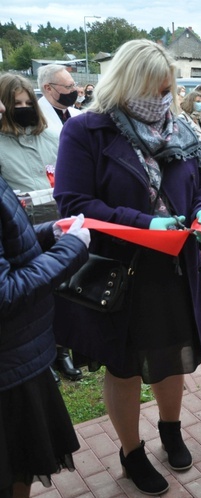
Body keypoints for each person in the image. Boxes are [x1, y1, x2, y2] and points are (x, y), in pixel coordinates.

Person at [53, 39, 201, 495]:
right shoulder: (87, 131)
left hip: (175, 270)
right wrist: (144, 222)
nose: (163, 99)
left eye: (168, 88)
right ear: (127, 84)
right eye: (154, 88)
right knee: (124, 366)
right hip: (122, 273)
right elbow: (73, 204)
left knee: (174, 359)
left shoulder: (180, 127)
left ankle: (171, 429)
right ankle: (131, 452)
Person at [0, 94, 91, 498]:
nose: (3, 109)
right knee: (14, 470)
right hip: (9, 370)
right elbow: (5, 292)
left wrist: (49, 234)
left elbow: (9, 243)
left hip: (17, 356)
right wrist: (71, 250)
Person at [0, 73, 83, 383]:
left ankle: (62, 350)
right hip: (18, 232)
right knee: (32, 296)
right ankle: (43, 357)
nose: (23, 108)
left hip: (54, 224)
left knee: (61, 288)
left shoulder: (52, 136)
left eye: (27, 102)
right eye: (15, 103)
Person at [36, 64, 81, 137]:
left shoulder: (78, 114)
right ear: (48, 88)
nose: (74, 90)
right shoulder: (36, 118)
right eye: (69, 86)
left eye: (74, 85)